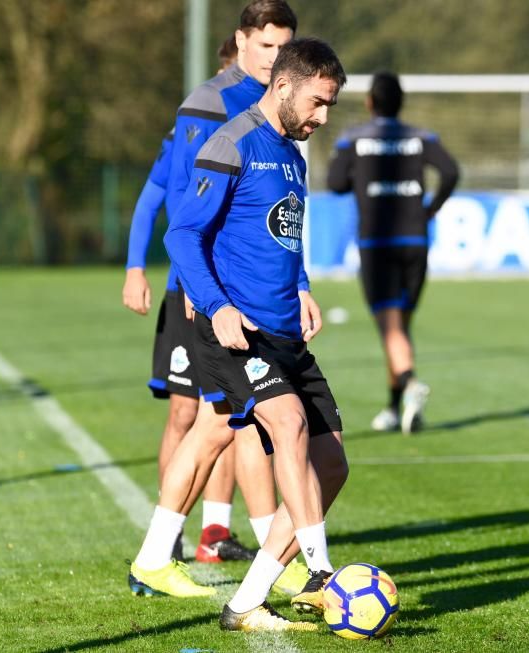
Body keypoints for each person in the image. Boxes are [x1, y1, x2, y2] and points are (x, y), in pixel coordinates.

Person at [164, 37, 349, 632]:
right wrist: (215, 305)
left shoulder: (293, 154)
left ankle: (245, 602)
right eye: (319, 102)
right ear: (286, 85)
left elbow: (285, 232)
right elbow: (183, 235)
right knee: (288, 426)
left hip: (285, 331)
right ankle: (321, 574)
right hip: (235, 331)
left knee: (333, 464)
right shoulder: (231, 142)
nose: (323, 117)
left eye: (330, 106)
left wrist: (301, 284)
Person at [124, 0, 307, 599]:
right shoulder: (209, 105)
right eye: (266, 46)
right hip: (211, 297)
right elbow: (182, 201)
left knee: (226, 425)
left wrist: (299, 284)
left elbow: (279, 219)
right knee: (235, 422)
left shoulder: (279, 113)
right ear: (241, 41)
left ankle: (176, 550)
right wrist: (195, 290)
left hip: (248, 297)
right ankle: (280, 557)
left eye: (285, 47)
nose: (276, 59)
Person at [326, 71, 459, 435]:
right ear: (401, 104)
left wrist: (363, 179)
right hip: (415, 241)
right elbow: (450, 171)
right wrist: (430, 208)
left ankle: (411, 383)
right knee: (399, 327)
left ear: (370, 103)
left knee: (390, 325)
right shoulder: (420, 136)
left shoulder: (353, 137)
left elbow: (335, 184)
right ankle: (393, 407)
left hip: (377, 242)